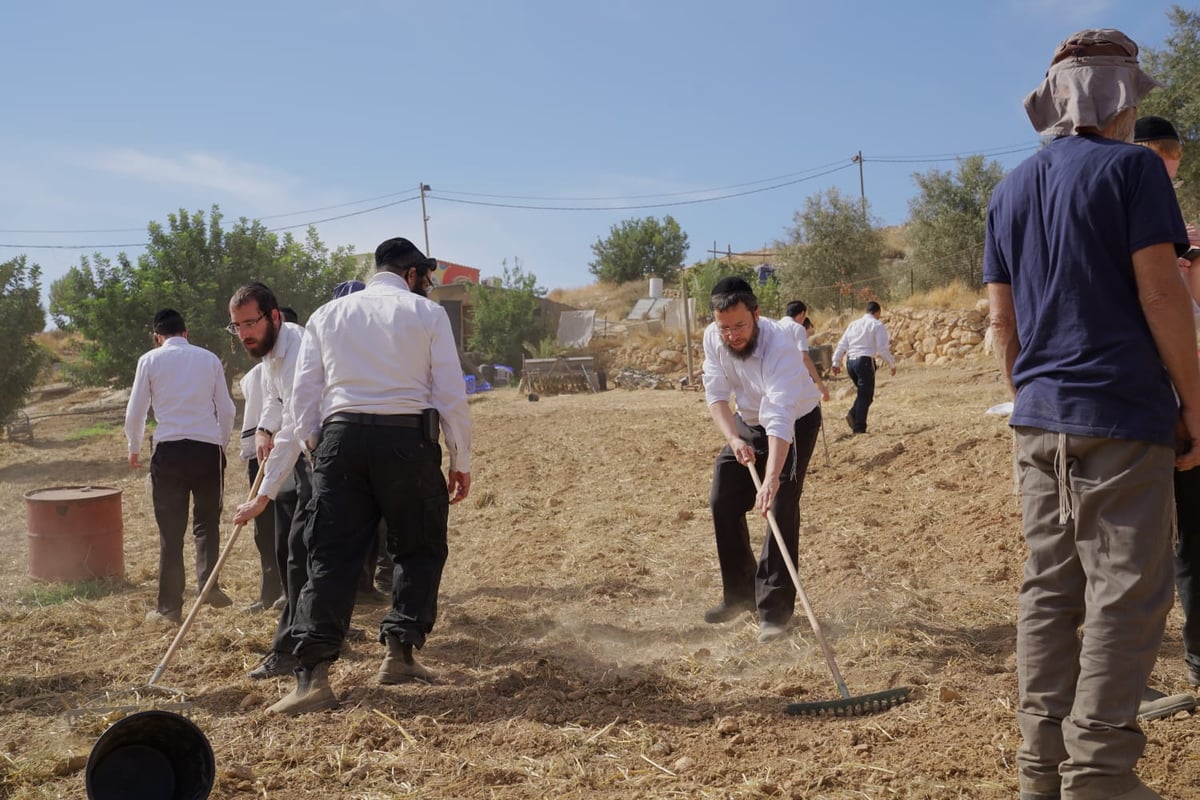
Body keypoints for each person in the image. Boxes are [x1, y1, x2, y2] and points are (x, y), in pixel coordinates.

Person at [985, 29, 1200, 800]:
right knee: (1127, 593)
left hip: (1037, 423)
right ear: (1120, 100)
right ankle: (1100, 777)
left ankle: (1039, 773)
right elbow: (1162, 293)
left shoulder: (1007, 192)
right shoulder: (1136, 170)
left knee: (1050, 590)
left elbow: (1001, 330)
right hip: (1121, 414)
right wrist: (1195, 406)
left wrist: (1034, 401)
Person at [264, 236, 471, 716]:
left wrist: (318, 445)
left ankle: (312, 679)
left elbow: (303, 395)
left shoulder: (326, 315)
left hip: (342, 438)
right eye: (425, 278)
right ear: (413, 273)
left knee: (330, 556)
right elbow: (450, 394)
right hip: (408, 441)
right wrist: (461, 459)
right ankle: (399, 654)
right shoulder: (427, 315)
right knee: (417, 546)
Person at [701, 277, 822, 644]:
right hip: (748, 421)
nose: (732, 335)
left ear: (756, 314)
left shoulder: (779, 345)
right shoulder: (713, 337)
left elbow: (780, 414)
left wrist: (771, 478)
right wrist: (734, 439)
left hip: (794, 421)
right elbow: (717, 394)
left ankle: (774, 612)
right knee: (722, 499)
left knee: (780, 505)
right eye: (725, 328)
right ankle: (739, 596)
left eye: (740, 326)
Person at [1134, 114, 1200, 690]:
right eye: (1167, 152)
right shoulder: (1136, 207)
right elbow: (1160, 301)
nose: (1172, 163)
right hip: (1152, 403)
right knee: (1145, 549)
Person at [124, 308, 236, 624]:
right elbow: (226, 410)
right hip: (206, 450)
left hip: (169, 450)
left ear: (158, 337)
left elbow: (136, 412)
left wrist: (134, 448)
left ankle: (170, 609)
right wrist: (220, 445)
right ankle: (209, 586)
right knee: (207, 523)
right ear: (186, 333)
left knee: (171, 534)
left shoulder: (149, 360)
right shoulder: (210, 359)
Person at [227, 283, 313, 679]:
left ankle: (293, 649)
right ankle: (311, 636)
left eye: (250, 323)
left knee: (300, 554)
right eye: (236, 326)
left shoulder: (299, 350)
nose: (244, 333)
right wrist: (263, 427)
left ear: (273, 316)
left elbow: (295, 427)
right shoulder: (272, 357)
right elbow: (278, 404)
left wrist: (261, 497)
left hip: (330, 458)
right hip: (307, 458)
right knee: (293, 552)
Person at [237, 361, 282, 612]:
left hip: (289, 456)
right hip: (265, 456)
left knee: (286, 530)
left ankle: (287, 593)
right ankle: (270, 593)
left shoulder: (299, 365)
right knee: (266, 530)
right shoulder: (256, 375)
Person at [830, 301, 895, 434]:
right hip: (864, 362)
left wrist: (835, 362)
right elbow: (882, 349)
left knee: (864, 394)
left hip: (850, 363)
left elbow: (842, 344)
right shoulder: (877, 324)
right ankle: (859, 427)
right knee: (866, 396)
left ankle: (854, 414)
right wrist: (892, 364)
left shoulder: (853, 324)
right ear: (877, 312)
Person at [779, 300, 830, 401]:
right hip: (795, 380)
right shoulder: (798, 328)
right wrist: (821, 385)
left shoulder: (775, 326)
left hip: (778, 381)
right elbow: (805, 358)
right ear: (802, 314)